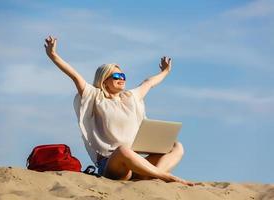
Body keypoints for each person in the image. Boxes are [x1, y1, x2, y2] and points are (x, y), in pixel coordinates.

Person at [44, 35, 194, 186]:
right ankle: (165, 177)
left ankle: (153, 177)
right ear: (104, 80)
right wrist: (53, 55)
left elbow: (149, 83)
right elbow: (75, 77)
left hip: (135, 162)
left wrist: (165, 72)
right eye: (116, 76)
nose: (121, 78)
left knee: (176, 146)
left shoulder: (130, 97)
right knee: (123, 150)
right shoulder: (95, 96)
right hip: (112, 164)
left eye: (123, 75)